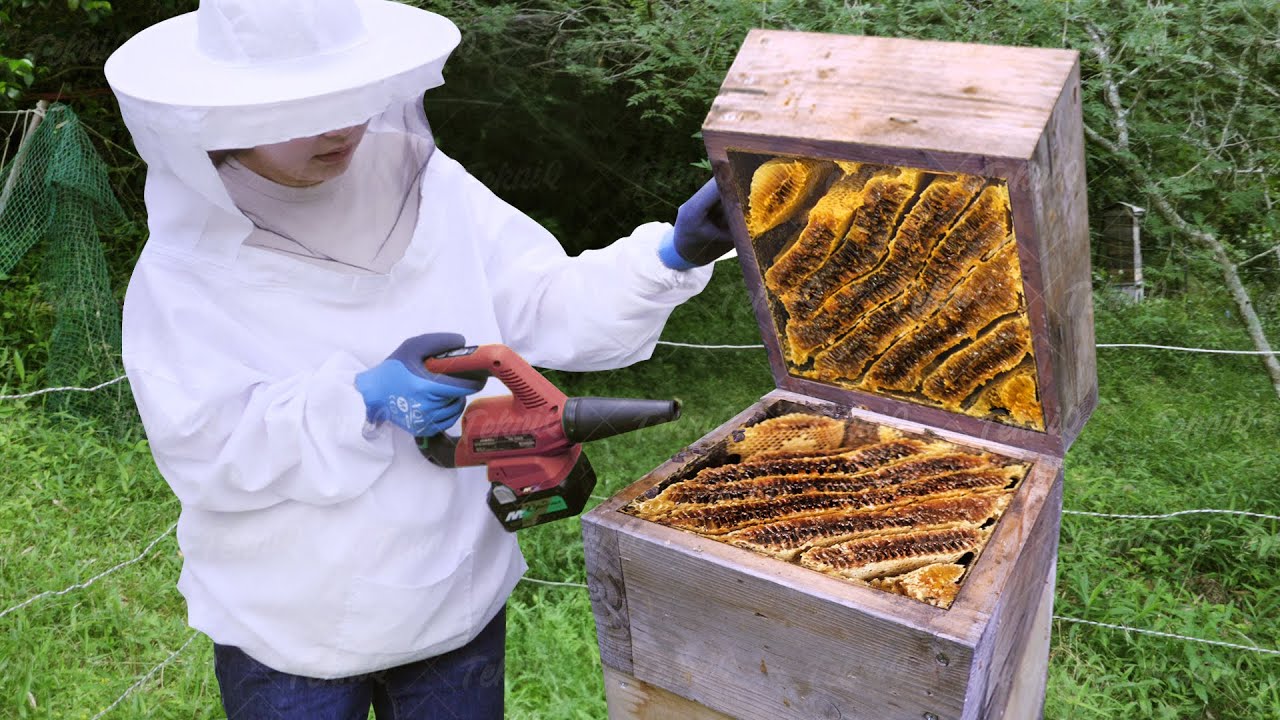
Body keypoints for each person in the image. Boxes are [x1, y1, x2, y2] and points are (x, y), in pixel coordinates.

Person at [103, 1, 733, 718]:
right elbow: (207, 449)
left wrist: (669, 256)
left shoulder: (427, 182)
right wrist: (359, 401)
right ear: (226, 114)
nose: (341, 125)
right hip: (288, 627)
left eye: (351, 96)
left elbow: (547, 304)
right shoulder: (183, 267)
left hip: (451, 602)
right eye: (302, 107)